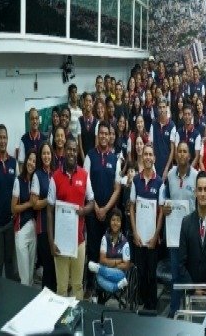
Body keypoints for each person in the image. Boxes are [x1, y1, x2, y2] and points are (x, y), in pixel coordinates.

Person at [47, 139, 95, 299]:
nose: (72, 153)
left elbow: (92, 201)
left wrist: (84, 210)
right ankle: (60, 321)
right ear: (64, 151)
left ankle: (76, 319)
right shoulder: (55, 178)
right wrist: (51, 241)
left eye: (74, 150)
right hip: (60, 243)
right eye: (69, 149)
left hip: (79, 241)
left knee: (77, 285)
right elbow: (49, 211)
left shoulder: (84, 175)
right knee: (61, 286)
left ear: (77, 152)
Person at [84, 121, 121, 299]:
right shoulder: (90, 156)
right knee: (92, 250)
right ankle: (91, 287)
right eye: (102, 133)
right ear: (98, 135)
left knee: (107, 251)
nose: (104, 136)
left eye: (107, 133)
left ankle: (105, 287)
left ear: (110, 136)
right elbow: (85, 183)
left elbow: (117, 188)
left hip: (108, 215)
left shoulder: (115, 159)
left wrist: (105, 209)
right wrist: (97, 207)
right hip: (92, 213)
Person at [162, 141, 198, 317]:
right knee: (175, 275)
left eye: (185, 151)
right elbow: (165, 201)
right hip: (174, 234)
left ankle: (191, 311)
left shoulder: (197, 176)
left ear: (190, 156)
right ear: (176, 155)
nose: (182, 154)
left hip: (192, 235)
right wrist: (165, 208)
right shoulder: (169, 175)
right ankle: (174, 311)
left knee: (190, 275)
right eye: (179, 151)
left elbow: (200, 204)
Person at [129, 144, 164, 310]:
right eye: (146, 154)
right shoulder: (136, 180)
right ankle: (141, 302)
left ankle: (152, 305)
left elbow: (162, 211)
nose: (148, 157)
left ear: (154, 158)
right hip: (139, 237)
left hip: (152, 238)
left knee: (151, 273)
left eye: (151, 154)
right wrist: (135, 233)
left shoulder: (160, 182)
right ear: (142, 158)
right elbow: (131, 207)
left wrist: (156, 235)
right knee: (141, 271)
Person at [0, 124, 18, 279]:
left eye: (4, 137)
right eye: (0, 137)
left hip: (11, 221)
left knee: (10, 261)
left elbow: (18, 191)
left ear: (7, 139)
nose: (2, 140)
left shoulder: (14, 163)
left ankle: (11, 294)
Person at [31, 141, 57, 291]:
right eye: (44, 153)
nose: (46, 156)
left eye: (48, 153)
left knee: (54, 265)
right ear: (40, 156)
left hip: (56, 225)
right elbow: (34, 204)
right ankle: (45, 300)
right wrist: (49, 200)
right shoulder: (37, 175)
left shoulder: (56, 172)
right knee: (47, 265)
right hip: (43, 227)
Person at [88, 208, 131, 297]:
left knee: (100, 275)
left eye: (118, 220)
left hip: (119, 274)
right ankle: (116, 286)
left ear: (121, 223)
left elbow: (126, 265)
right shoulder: (105, 238)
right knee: (99, 278)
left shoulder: (125, 242)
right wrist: (118, 261)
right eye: (113, 220)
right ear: (110, 221)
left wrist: (109, 264)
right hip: (109, 273)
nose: (115, 223)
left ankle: (98, 269)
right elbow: (102, 259)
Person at [12, 150, 37, 286]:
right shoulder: (18, 181)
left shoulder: (35, 181)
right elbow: (13, 208)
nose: (31, 163)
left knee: (31, 276)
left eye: (34, 161)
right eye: (30, 160)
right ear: (26, 160)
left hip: (33, 229)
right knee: (25, 278)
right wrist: (29, 204)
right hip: (21, 230)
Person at [150, 98, 177, 180]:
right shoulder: (153, 124)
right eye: (160, 107)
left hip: (167, 166)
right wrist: (152, 164)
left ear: (167, 108)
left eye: (163, 107)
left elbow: (172, 150)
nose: (162, 109)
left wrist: (166, 169)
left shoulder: (172, 126)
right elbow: (151, 144)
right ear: (157, 109)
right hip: (155, 165)